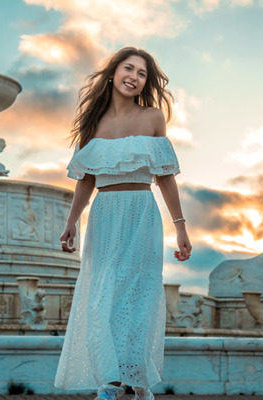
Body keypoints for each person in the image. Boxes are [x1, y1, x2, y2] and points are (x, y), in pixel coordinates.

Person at [54, 47, 192, 400]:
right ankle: (110, 382)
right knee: (100, 297)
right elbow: (85, 179)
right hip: (104, 214)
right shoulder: (94, 123)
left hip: (142, 213)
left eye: (142, 73)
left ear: (147, 81)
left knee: (139, 296)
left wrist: (180, 226)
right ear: (113, 73)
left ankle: (139, 381)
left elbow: (165, 177)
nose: (134, 76)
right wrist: (72, 221)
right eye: (128, 68)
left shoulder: (153, 118)